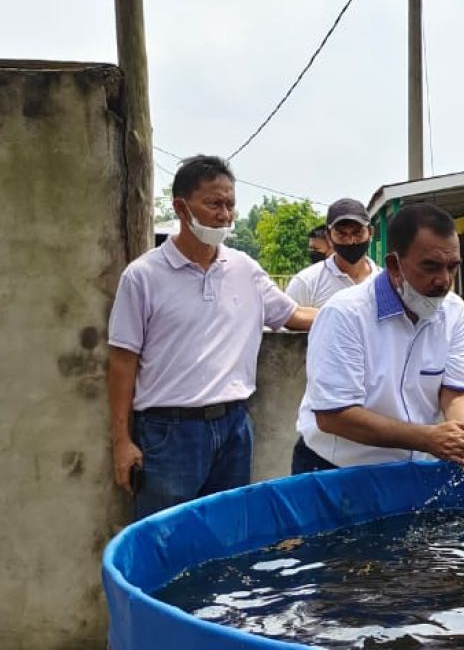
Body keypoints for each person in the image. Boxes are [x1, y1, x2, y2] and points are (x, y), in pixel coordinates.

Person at [108, 155, 318, 519]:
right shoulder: (143, 277)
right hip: (168, 433)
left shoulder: (244, 270)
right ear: (180, 207)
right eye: (214, 204)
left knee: (228, 537)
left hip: (234, 428)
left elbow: (294, 316)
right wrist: (122, 441)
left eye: (230, 204)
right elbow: (122, 361)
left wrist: (356, 309)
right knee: (166, 539)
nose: (225, 215)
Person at [292, 202, 464, 478]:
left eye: (452, 267)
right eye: (430, 267)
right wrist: (428, 439)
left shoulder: (453, 311)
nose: (444, 280)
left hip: (407, 470)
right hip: (335, 471)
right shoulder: (345, 314)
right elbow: (334, 415)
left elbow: (457, 389)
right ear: (394, 265)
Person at [286, 199, 380, 308]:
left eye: (358, 232)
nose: (350, 241)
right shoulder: (306, 283)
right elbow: (288, 320)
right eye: (341, 234)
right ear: (329, 236)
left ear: (370, 233)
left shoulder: (385, 282)